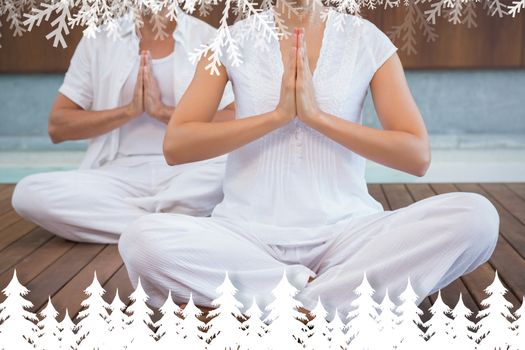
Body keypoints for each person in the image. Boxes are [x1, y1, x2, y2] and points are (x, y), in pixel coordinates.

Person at [118, 1, 499, 317]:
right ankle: (331, 295)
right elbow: (178, 144)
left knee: (477, 217)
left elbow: (416, 156)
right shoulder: (232, 41)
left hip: (349, 234)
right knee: (140, 241)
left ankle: (291, 298)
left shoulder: (364, 40)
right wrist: (277, 117)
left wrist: (316, 117)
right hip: (246, 235)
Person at [11, 7, 235, 244]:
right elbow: (58, 126)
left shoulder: (208, 38)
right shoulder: (99, 41)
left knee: (228, 173)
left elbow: (234, 118)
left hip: (190, 171)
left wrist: (163, 112)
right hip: (118, 173)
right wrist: (128, 111)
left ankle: (140, 224)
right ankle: (173, 227)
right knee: (28, 194)